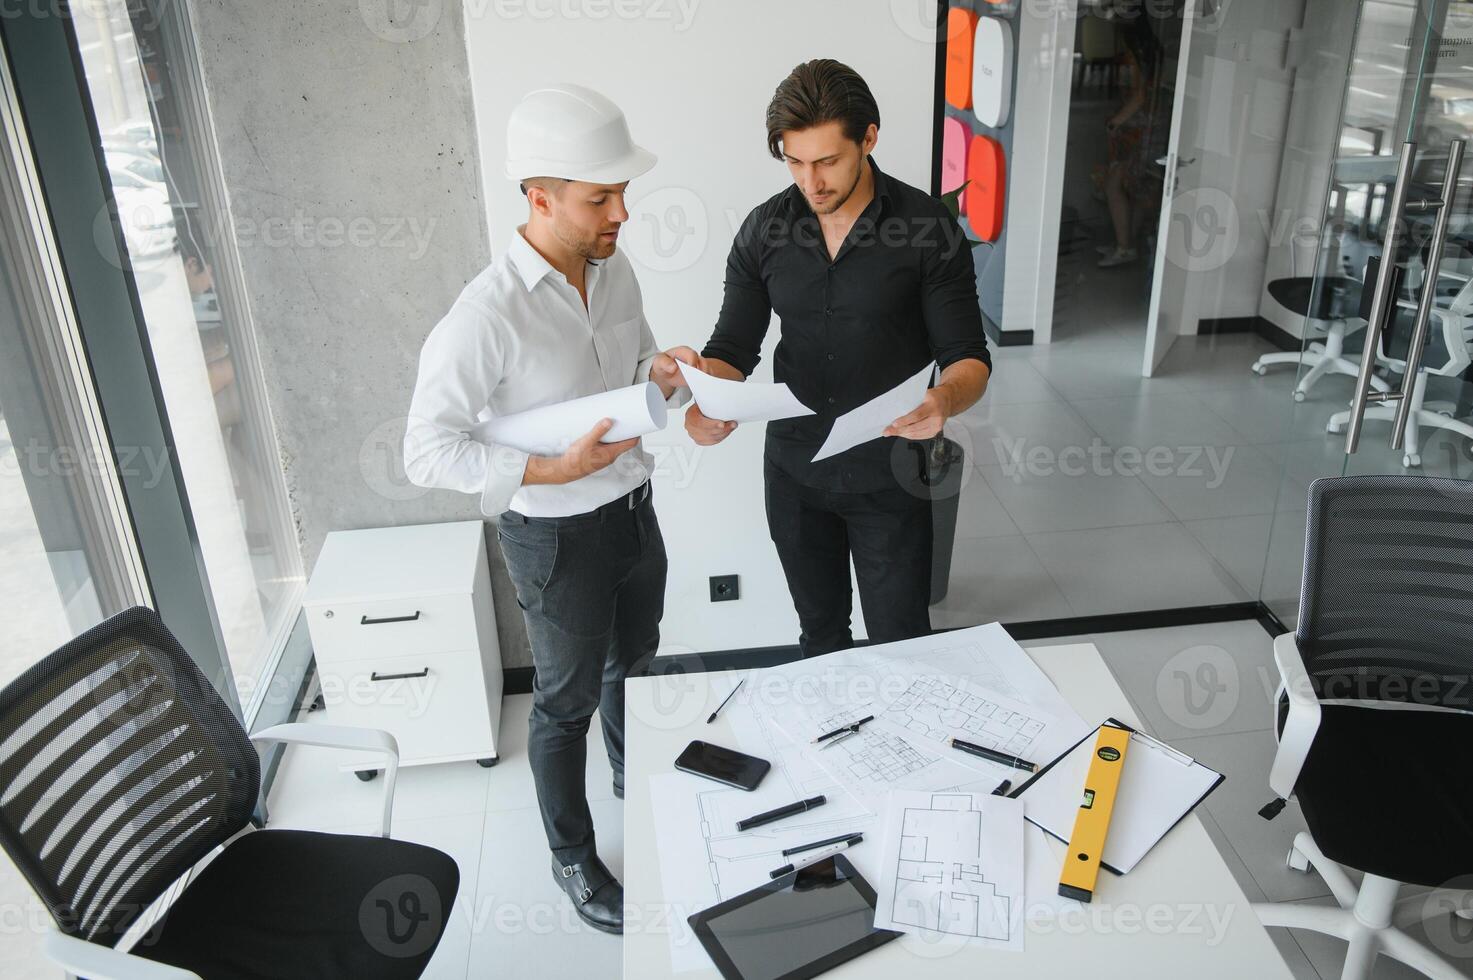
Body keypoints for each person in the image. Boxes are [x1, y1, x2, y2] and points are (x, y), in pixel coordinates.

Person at [403, 83, 694, 935]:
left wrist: (664, 376)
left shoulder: (614, 270)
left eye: (621, 193)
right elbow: (425, 451)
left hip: (634, 509)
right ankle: (573, 856)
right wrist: (549, 467)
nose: (622, 213)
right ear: (538, 198)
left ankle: (628, 780)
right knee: (563, 701)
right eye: (599, 198)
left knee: (633, 659)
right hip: (555, 536)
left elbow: (632, 366)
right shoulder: (482, 317)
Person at [686, 59, 991, 658]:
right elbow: (731, 349)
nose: (811, 181)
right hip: (795, 476)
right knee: (820, 639)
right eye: (795, 162)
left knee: (903, 647)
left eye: (827, 161)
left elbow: (967, 357)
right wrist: (706, 400)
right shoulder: (762, 231)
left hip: (890, 477)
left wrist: (944, 399)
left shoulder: (927, 228)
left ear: (868, 139)